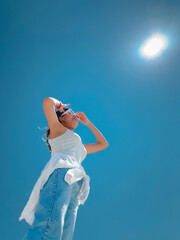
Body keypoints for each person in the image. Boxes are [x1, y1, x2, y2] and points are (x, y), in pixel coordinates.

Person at [19, 97, 109, 240]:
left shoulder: (79, 146)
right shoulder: (58, 130)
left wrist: (88, 123)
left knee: (64, 235)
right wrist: (60, 105)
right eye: (69, 112)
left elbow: (103, 144)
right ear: (60, 119)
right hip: (61, 173)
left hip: (75, 183)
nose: (74, 114)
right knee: (49, 229)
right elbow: (47, 102)